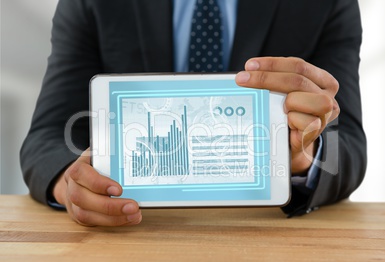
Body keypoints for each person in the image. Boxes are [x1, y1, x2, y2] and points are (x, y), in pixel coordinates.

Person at [20, 0, 366, 226]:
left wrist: (305, 155)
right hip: (133, 232)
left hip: (260, 235)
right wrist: (72, 184)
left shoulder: (328, 5)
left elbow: (347, 142)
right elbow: (47, 137)